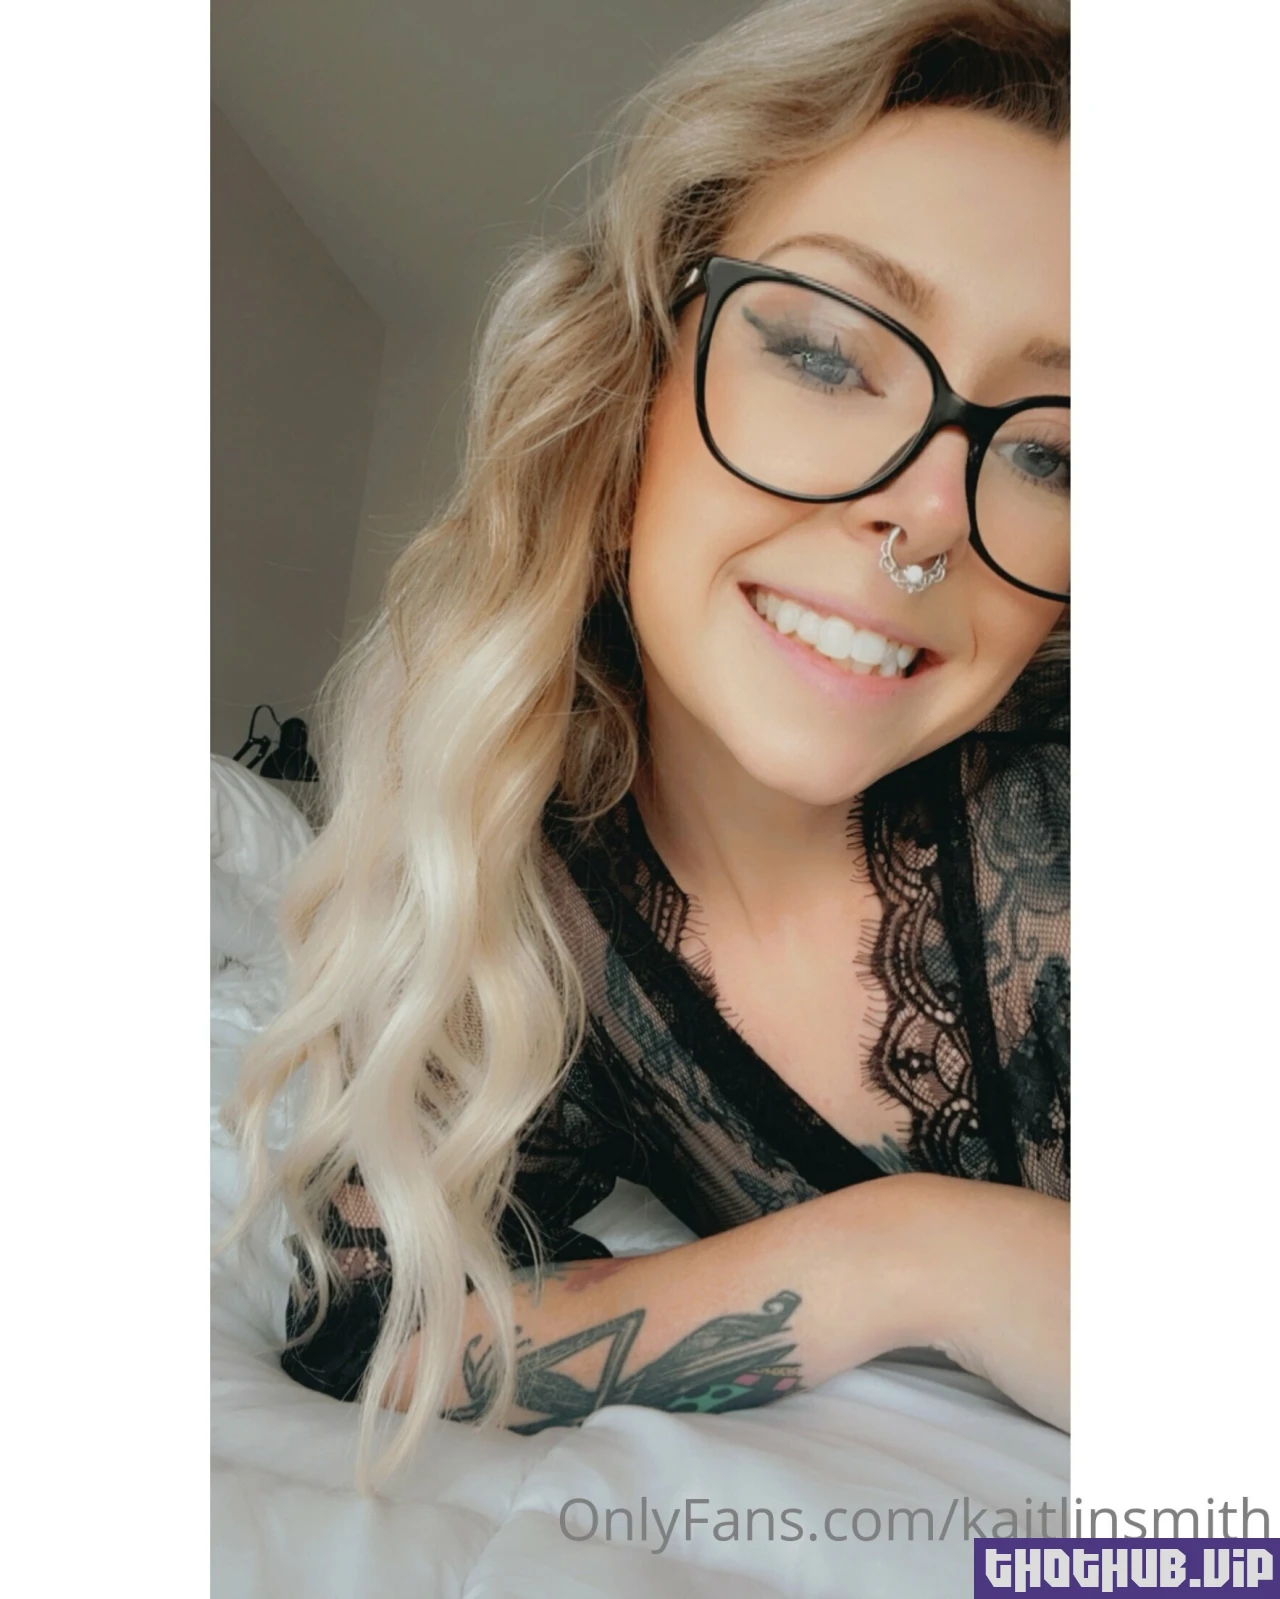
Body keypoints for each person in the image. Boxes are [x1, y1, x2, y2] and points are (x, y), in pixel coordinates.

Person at [223, 0, 1070, 1495]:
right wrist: (912, 1258)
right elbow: (379, 1325)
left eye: (1056, 453)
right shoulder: (540, 893)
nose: (932, 516)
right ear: (629, 396)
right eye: (824, 355)